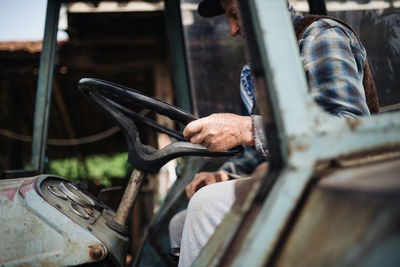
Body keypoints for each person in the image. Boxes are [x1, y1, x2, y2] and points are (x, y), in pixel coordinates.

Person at [176, 0, 377, 266]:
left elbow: (349, 132)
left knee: (206, 206)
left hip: (341, 189)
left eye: (235, 15)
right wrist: (224, 173)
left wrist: (247, 128)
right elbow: (271, 154)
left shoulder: (321, 36)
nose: (232, 29)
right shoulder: (264, 70)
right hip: (299, 185)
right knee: (179, 223)